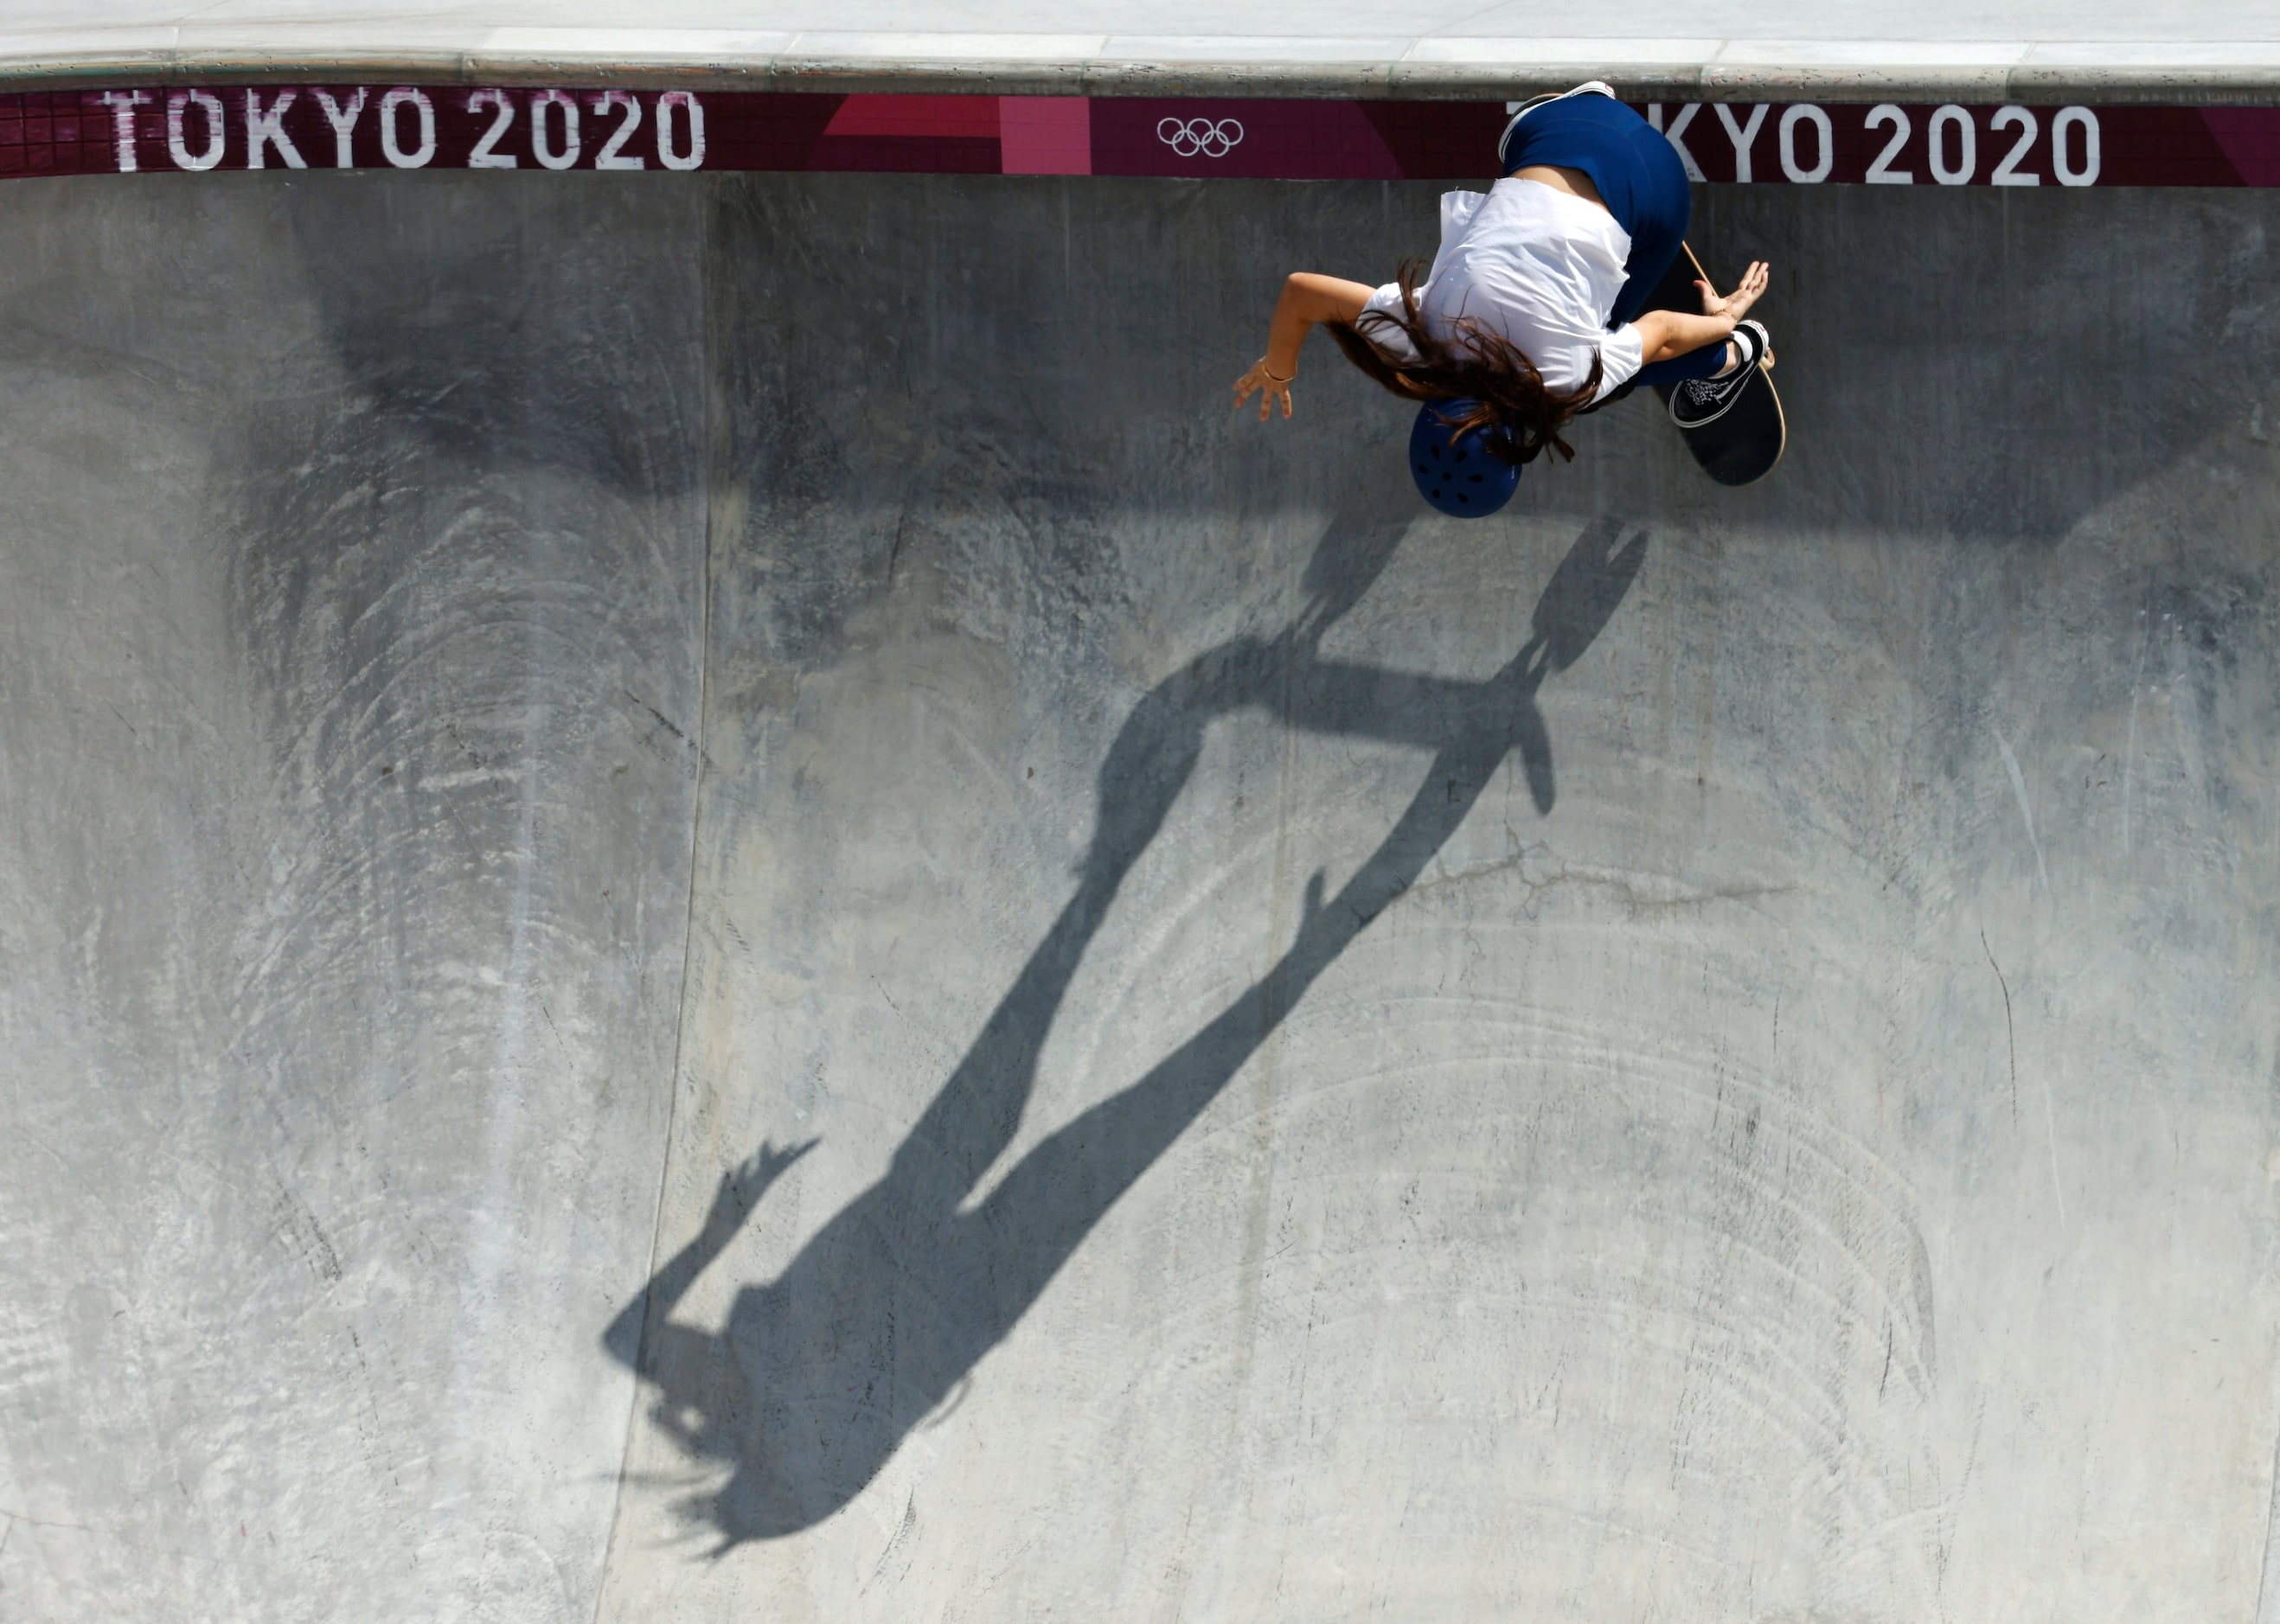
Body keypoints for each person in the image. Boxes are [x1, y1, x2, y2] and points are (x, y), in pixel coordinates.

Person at [1232, 82, 1772, 464]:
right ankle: (1581, 102)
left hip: (1662, 182)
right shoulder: (1419, 339)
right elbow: (1301, 291)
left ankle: (1734, 358)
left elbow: (1665, 330)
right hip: (1556, 128)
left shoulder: (1565, 383)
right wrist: (1279, 368)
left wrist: (1728, 324)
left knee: (1607, 382)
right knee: (1597, 354)